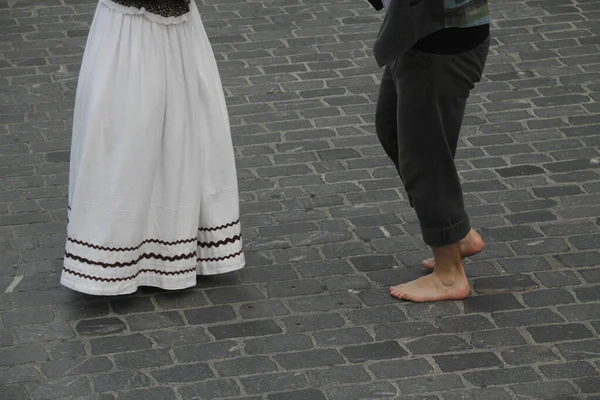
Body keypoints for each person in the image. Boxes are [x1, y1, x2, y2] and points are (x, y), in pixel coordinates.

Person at [61, 0, 244, 296]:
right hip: (130, 29)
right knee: (130, 128)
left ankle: (166, 245)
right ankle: (115, 253)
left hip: (170, 26)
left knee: (175, 124)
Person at [368, 0, 490, 302]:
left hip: (439, 44)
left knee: (425, 157)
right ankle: (457, 235)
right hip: (418, 36)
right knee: (393, 130)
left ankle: (449, 275)